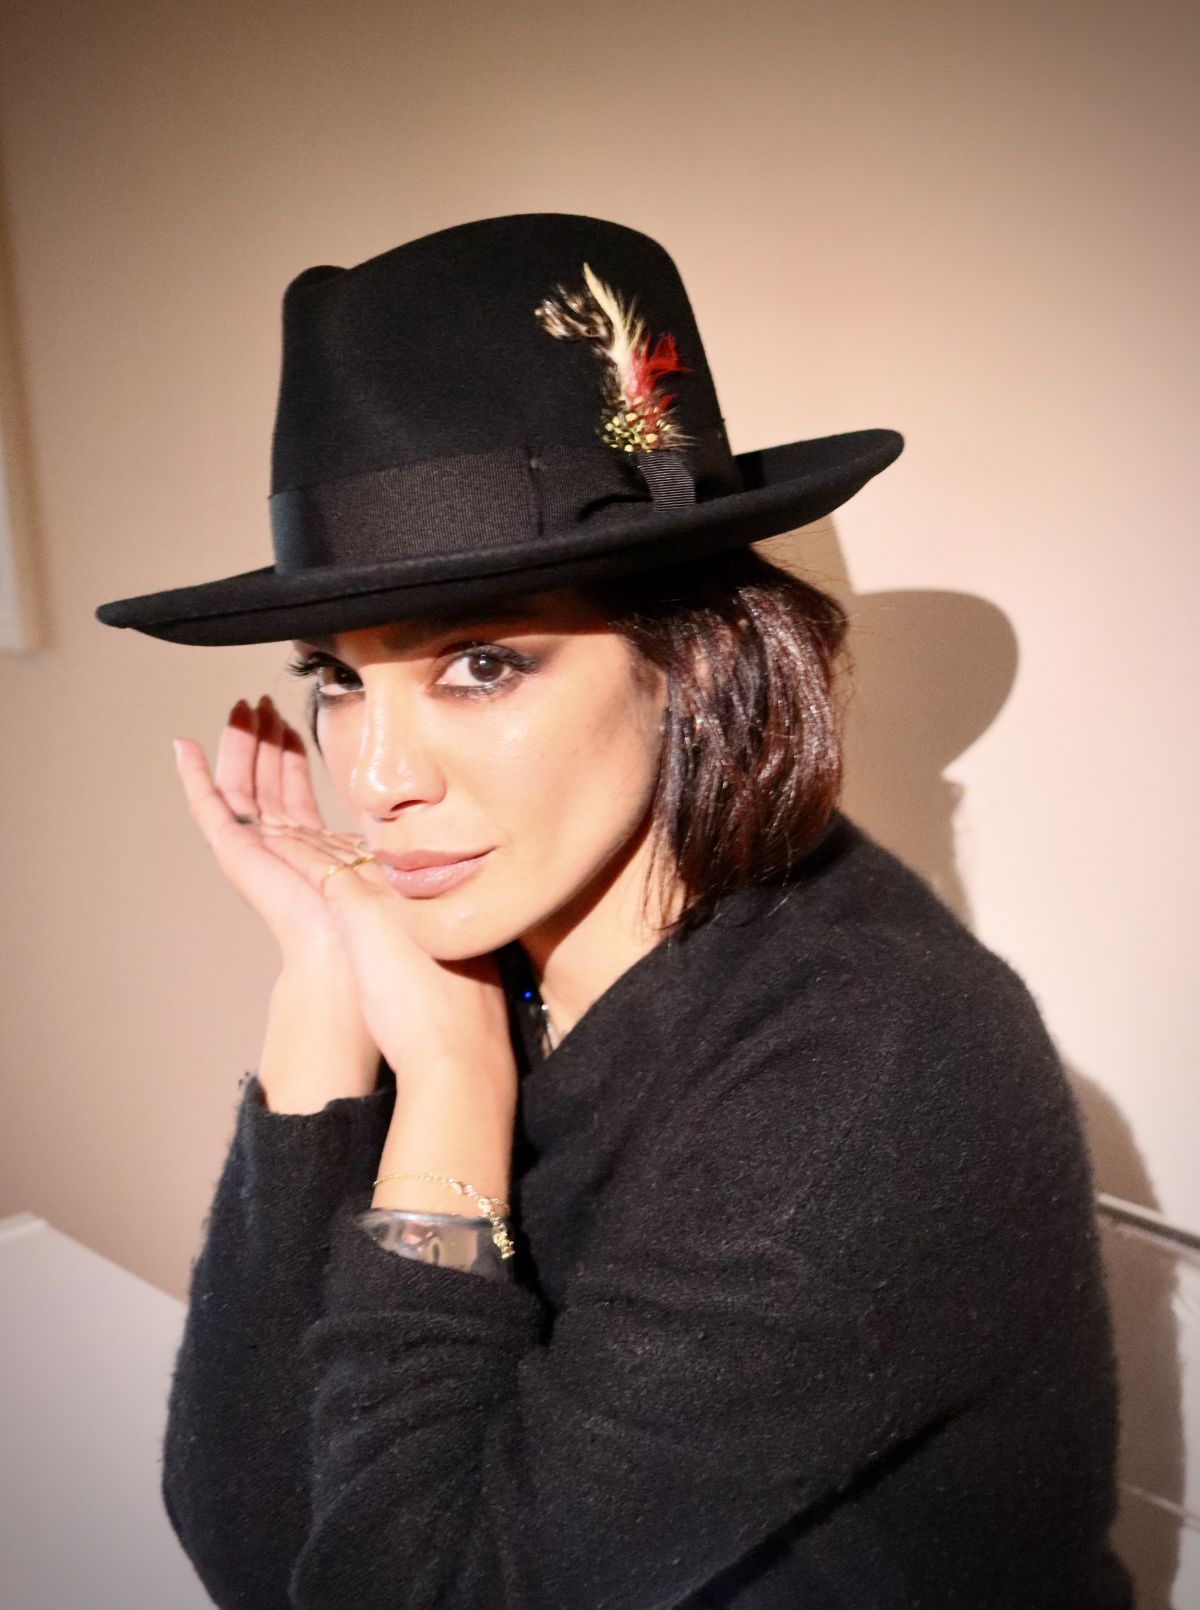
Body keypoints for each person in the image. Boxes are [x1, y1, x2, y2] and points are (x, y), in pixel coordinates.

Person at [94, 213, 1133, 1608]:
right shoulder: (489, 948)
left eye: (479, 662)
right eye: (337, 677)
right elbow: (246, 1529)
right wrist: (320, 998)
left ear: (692, 663)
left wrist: (452, 1085)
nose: (379, 777)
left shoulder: (869, 1061)